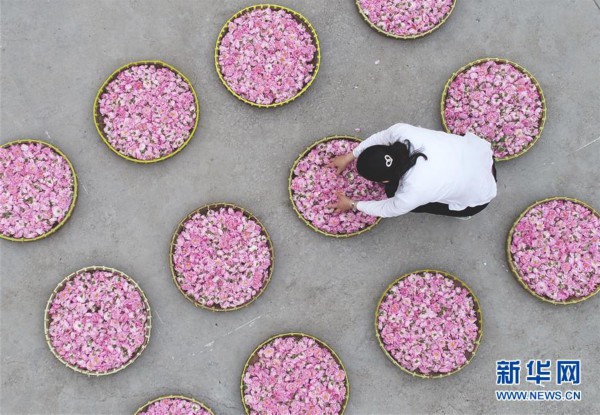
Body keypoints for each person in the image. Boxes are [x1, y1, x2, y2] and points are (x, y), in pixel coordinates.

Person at [328, 123, 497, 218]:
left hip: (480, 195)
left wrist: (352, 204)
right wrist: (349, 156)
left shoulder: (413, 191)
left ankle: (463, 211)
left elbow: (389, 208)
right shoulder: (402, 132)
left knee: (399, 197)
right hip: (481, 156)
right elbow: (380, 137)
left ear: (386, 180)